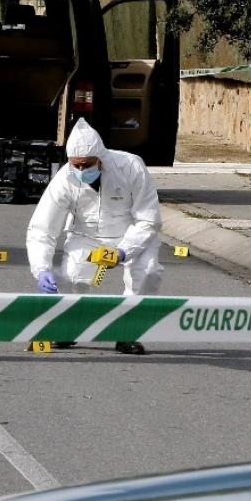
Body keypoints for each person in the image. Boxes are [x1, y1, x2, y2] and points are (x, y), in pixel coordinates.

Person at [26, 119, 164, 355]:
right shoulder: (64, 180)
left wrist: (123, 251)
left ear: (100, 157)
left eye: (87, 165)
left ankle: (127, 331)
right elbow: (42, 228)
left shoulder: (131, 166)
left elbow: (148, 219)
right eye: (75, 165)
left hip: (131, 233)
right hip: (86, 234)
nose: (81, 171)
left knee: (148, 272)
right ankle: (72, 328)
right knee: (72, 276)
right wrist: (41, 269)